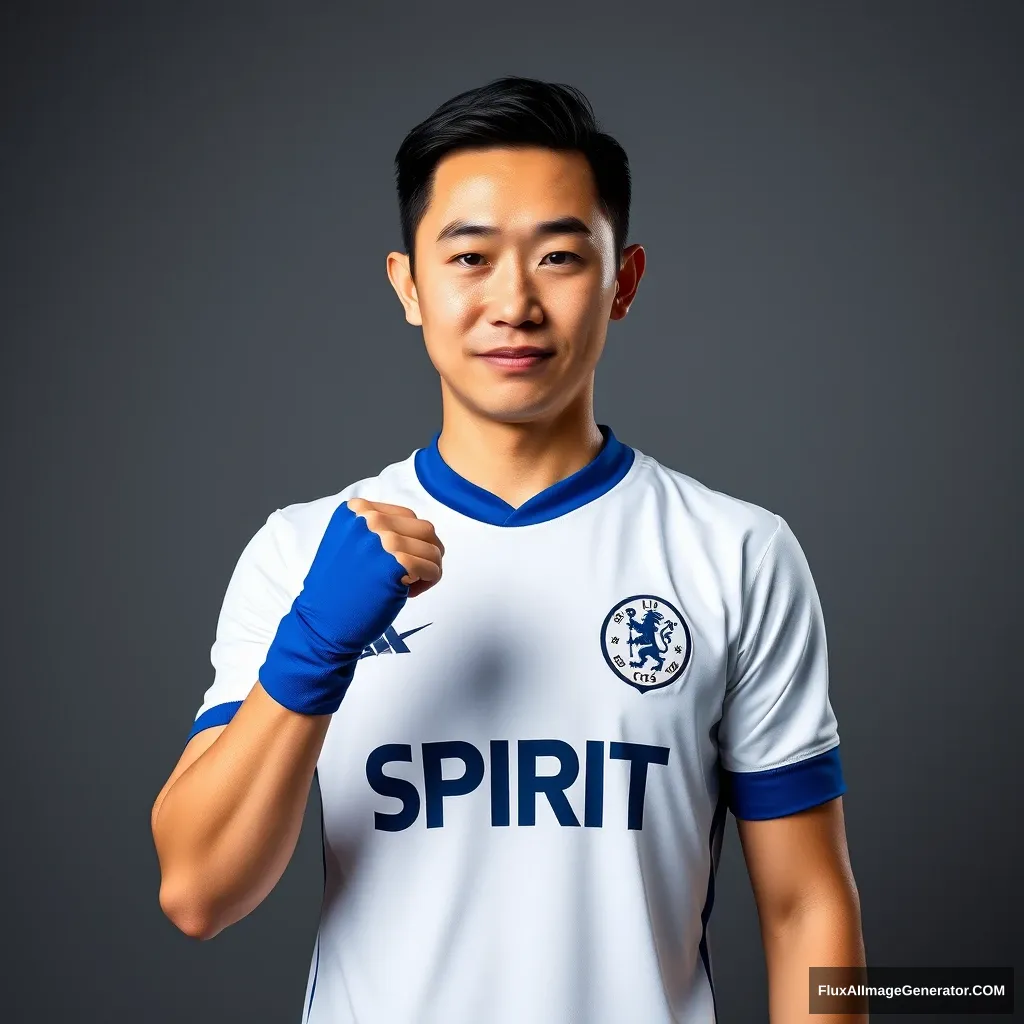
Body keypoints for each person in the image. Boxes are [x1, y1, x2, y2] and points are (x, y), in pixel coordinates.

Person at [150, 75, 866, 1024]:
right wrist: (314, 645)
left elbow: (807, 902)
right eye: (471, 257)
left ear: (624, 282)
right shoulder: (301, 552)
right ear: (410, 285)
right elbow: (199, 891)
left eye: (561, 256)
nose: (514, 303)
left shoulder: (736, 552)